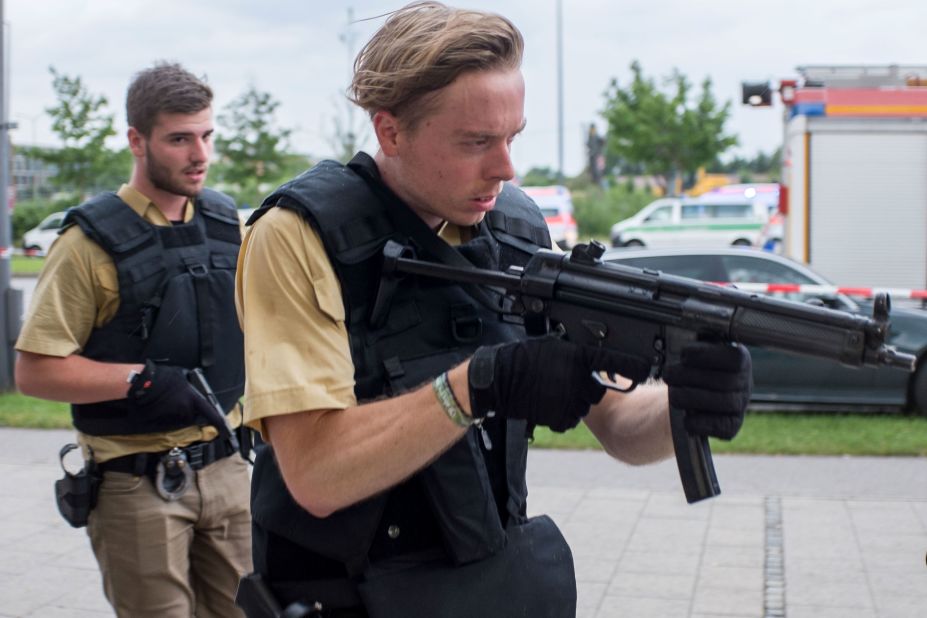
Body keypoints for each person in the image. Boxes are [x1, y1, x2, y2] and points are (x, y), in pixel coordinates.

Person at [235, 3, 752, 617]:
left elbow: (618, 427)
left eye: (512, 137)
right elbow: (316, 475)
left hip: (484, 593)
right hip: (345, 598)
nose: (506, 168)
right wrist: (475, 387)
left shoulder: (516, 232)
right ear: (390, 131)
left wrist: (684, 403)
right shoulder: (300, 236)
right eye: (477, 142)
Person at [15, 62, 251, 618]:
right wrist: (140, 381)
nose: (200, 154)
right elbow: (34, 371)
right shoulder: (86, 243)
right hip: (139, 482)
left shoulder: (225, 222)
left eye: (206, 136)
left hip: (230, 469)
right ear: (136, 141)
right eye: (179, 139)